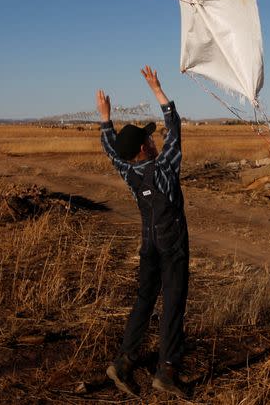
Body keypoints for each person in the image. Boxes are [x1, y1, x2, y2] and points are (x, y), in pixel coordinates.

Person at [96, 65, 189, 399]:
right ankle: (167, 371)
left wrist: (105, 119)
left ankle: (124, 360)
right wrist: (159, 91)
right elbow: (175, 128)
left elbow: (111, 149)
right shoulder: (163, 169)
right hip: (172, 245)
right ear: (144, 149)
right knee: (173, 303)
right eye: (149, 139)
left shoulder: (128, 172)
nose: (154, 139)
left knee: (144, 299)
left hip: (148, 245)